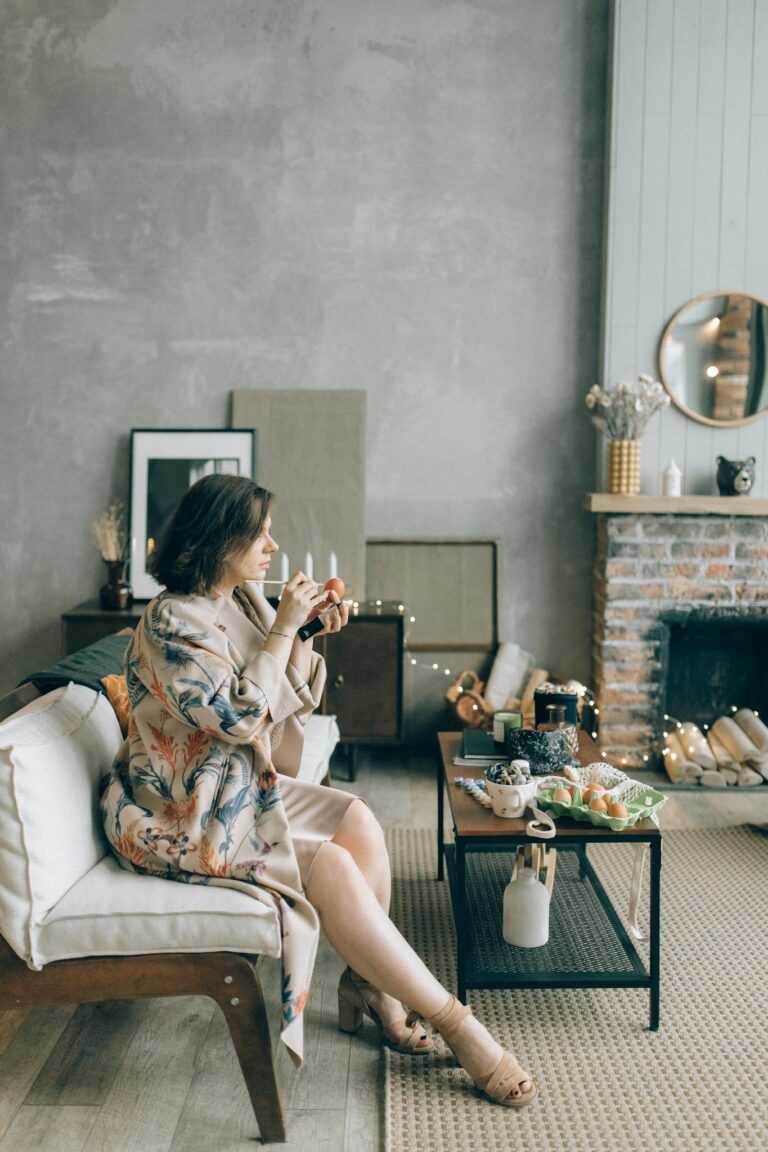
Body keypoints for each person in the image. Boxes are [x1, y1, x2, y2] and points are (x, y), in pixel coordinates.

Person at [101, 473, 536, 1106]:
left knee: (357, 818)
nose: (272, 545)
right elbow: (243, 716)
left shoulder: (243, 600)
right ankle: (457, 1025)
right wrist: (286, 629)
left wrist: (304, 634)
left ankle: (371, 987)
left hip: (239, 786)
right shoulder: (172, 621)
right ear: (220, 539)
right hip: (183, 814)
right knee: (330, 865)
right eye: (260, 532)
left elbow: (278, 726)